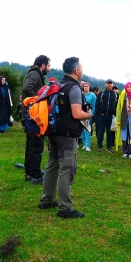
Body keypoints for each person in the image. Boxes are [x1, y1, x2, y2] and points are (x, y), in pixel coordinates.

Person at [38, 57, 91, 219]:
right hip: (67, 135)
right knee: (66, 168)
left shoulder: (58, 85)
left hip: (53, 131)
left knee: (52, 165)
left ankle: (46, 199)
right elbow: (76, 113)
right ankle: (65, 208)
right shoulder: (73, 88)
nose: (82, 70)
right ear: (76, 70)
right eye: (81, 67)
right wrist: (89, 114)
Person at [21, 55, 51, 184]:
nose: (49, 68)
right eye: (48, 65)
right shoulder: (35, 74)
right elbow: (27, 88)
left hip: (29, 116)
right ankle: (35, 175)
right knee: (36, 146)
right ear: (43, 65)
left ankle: (30, 171)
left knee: (31, 145)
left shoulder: (35, 74)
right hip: (33, 116)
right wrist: (38, 101)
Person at [115, 82, 131, 159]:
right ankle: (125, 151)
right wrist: (118, 119)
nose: (129, 88)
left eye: (130, 87)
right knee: (124, 135)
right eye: (127, 87)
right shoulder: (122, 96)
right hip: (124, 117)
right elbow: (119, 107)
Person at [96, 79, 118, 152]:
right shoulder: (101, 93)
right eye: (108, 83)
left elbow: (117, 105)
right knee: (101, 132)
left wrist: (115, 115)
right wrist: (99, 114)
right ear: (105, 84)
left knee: (110, 132)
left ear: (112, 84)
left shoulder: (115, 94)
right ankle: (99, 146)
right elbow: (97, 104)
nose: (109, 84)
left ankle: (109, 147)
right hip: (102, 116)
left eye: (110, 83)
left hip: (110, 117)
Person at [81, 82, 97, 152]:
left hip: (88, 113)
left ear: (89, 87)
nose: (86, 87)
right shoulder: (81, 94)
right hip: (81, 113)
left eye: (87, 86)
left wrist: (92, 114)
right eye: (85, 86)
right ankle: (84, 144)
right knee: (82, 130)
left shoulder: (93, 95)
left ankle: (88, 145)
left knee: (87, 129)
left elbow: (94, 105)